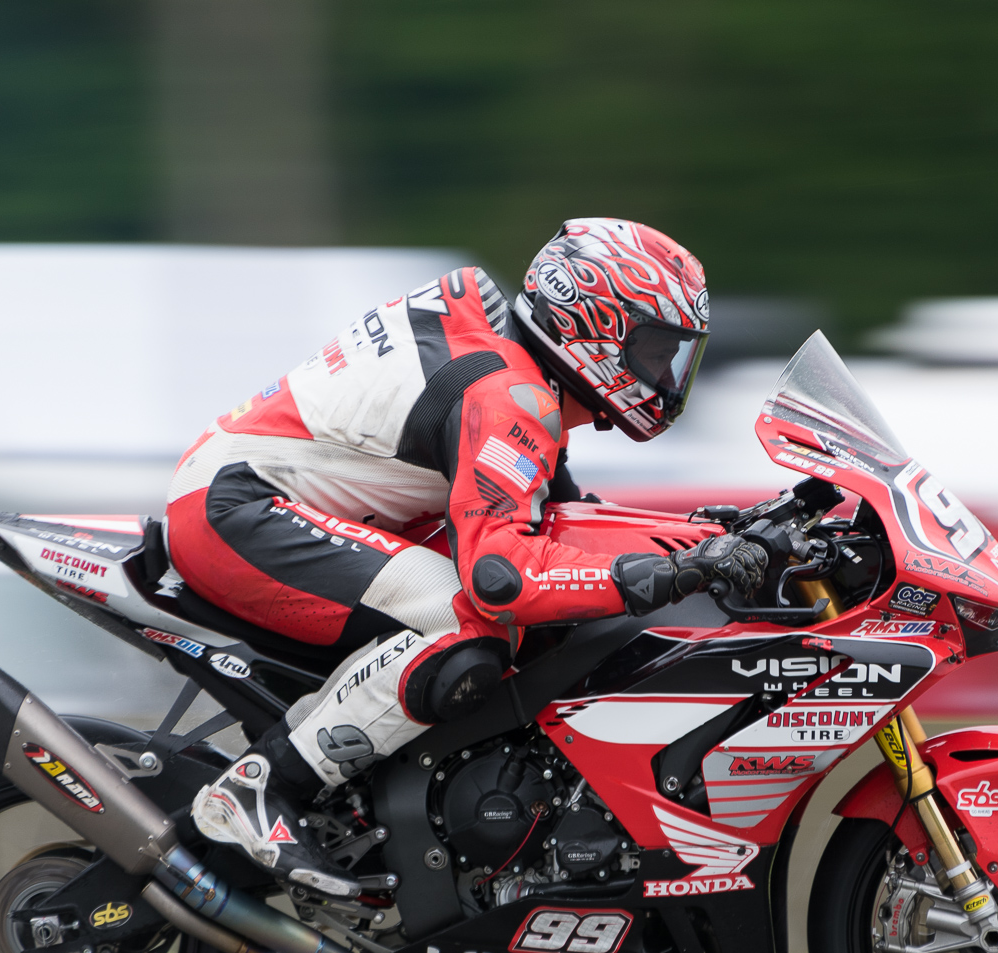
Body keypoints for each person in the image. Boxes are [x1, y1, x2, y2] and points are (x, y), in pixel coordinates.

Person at [164, 218, 768, 899]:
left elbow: (569, 523)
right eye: (654, 349)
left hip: (251, 494)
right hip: (238, 508)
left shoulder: (511, 365)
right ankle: (262, 786)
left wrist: (715, 536)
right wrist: (685, 569)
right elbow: (503, 580)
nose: (664, 375)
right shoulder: (506, 393)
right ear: (592, 326)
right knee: (468, 622)